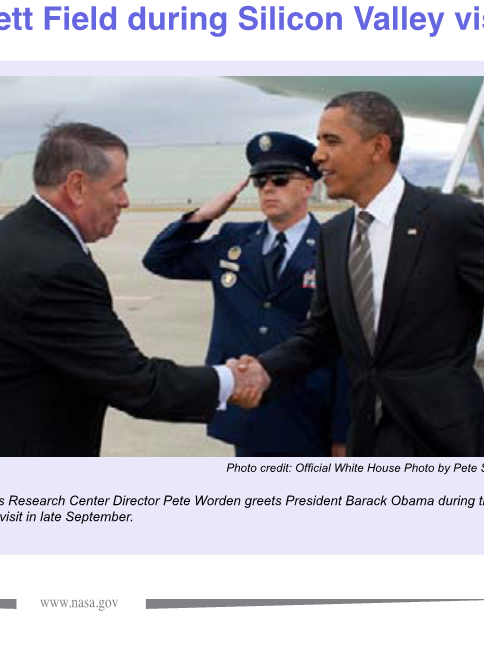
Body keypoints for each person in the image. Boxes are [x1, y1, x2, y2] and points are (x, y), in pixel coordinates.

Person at [0, 122, 261, 457]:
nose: (125, 201)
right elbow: (136, 383)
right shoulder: (55, 266)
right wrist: (231, 380)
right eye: (117, 187)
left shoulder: (16, 233)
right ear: (77, 186)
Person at [247, 92, 484, 458]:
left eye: (331, 141)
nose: (317, 155)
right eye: (318, 141)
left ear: (378, 147)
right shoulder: (334, 235)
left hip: (453, 445)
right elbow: (322, 333)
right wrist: (264, 370)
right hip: (369, 441)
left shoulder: (451, 221)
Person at [143, 132, 348, 458]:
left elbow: (345, 347)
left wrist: (343, 432)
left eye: (280, 179)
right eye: (260, 181)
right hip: (247, 404)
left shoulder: (334, 245)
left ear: (308, 187)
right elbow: (159, 260)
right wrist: (202, 217)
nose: (268, 188)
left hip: (307, 407)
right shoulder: (234, 240)